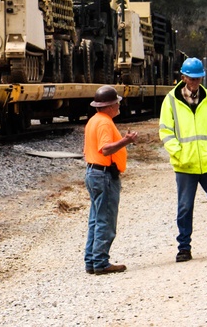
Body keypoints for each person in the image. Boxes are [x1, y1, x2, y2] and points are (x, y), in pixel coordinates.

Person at [159, 57, 207, 263]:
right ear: (183, 78)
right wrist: (178, 153)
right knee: (185, 207)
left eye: (199, 78)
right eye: (192, 79)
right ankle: (184, 247)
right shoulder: (170, 101)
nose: (196, 82)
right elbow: (165, 131)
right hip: (185, 165)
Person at [84, 85, 139, 275]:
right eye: (116, 102)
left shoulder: (94, 120)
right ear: (109, 105)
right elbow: (106, 149)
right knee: (105, 219)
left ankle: (92, 260)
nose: (119, 105)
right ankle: (101, 262)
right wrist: (126, 141)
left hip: (94, 173)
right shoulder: (105, 123)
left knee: (96, 219)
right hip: (104, 175)